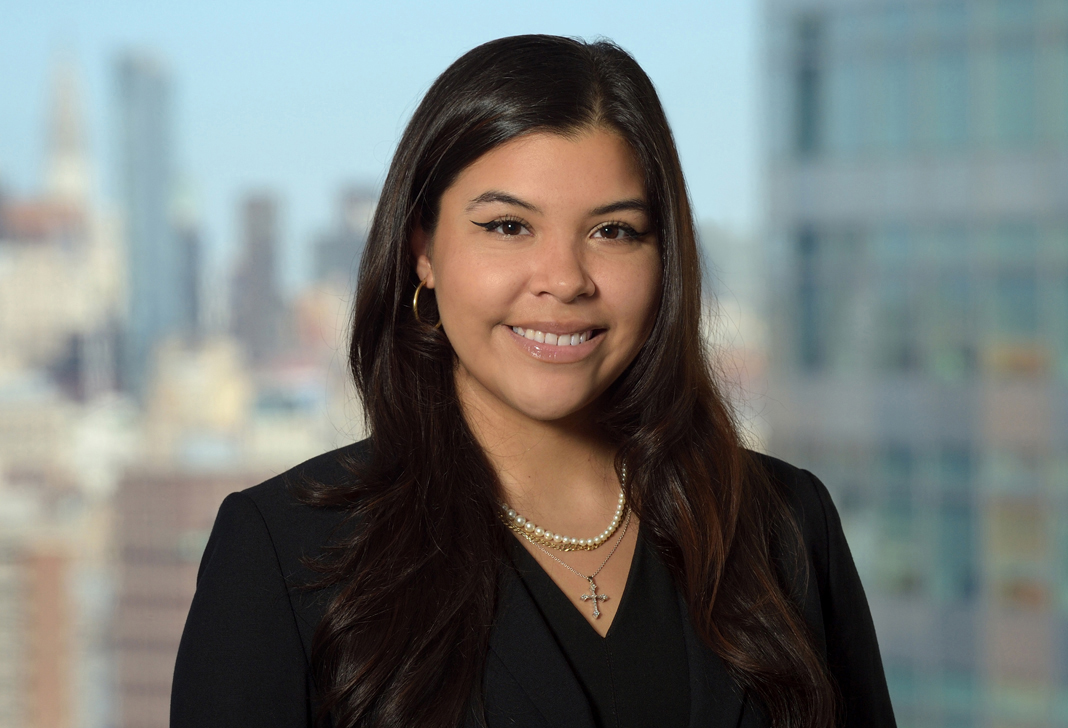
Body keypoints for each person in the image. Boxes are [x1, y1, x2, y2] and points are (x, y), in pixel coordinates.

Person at [171, 34, 896, 728]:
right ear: (423, 250)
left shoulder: (785, 524)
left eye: (613, 231)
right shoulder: (285, 554)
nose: (564, 280)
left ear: (664, 257)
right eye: (508, 227)